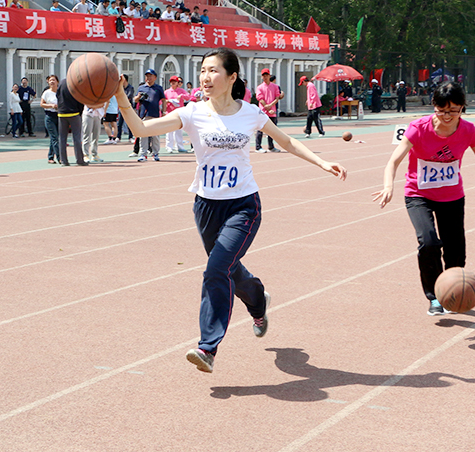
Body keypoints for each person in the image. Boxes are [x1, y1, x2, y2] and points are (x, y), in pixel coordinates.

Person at [114, 47, 347, 373]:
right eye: (203, 71)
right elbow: (140, 129)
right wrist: (120, 96)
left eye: (213, 71)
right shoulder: (192, 112)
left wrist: (321, 162)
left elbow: (286, 141)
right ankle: (258, 299)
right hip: (206, 206)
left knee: (215, 269)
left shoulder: (250, 113)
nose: (206, 77)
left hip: (243, 206)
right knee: (227, 267)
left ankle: (207, 347)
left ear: (231, 76)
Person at [372, 81, 475, 316]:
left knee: (455, 250)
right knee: (429, 242)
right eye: (442, 110)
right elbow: (393, 161)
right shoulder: (418, 128)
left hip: (452, 196)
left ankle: (453, 293)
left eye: (454, 110)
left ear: (462, 108)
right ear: (434, 106)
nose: (447, 116)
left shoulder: (468, 130)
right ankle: (434, 297)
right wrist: (388, 186)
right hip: (418, 194)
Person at [132, 69, 165, 162]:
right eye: (147, 76)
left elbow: (163, 100)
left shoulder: (158, 88)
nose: (148, 78)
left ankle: (155, 153)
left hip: (155, 114)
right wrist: (139, 97)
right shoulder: (141, 88)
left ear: (155, 77)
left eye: (150, 76)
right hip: (144, 114)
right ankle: (143, 154)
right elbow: (135, 100)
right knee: (143, 135)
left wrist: (164, 112)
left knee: (155, 135)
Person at [57, 78, 88, 166]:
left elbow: (57, 96)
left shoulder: (62, 82)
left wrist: (60, 108)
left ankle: (64, 160)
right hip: (74, 113)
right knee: (77, 137)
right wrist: (80, 112)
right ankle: (80, 160)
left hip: (62, 113)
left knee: (62, 138)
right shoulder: (76, 83)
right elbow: (81, 99)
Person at [255, 68, 283, 152]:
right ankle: (258, 147)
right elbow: (260, 98)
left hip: (272, 111)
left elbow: (277, 97)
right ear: (261, 77)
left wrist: (271, 106)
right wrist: (267, 107)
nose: (265, 77)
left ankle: (271, 147)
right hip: (262, 111)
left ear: (269, 76)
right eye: (263, 75)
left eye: (266, 75)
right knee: (260, 129)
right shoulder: (260, 87)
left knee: (272, 130)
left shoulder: (275, 86)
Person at [164, 75, 189, 152]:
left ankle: (179, 146)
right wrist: (168, 101)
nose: (173, 83)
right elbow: (162, 101)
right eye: (171, 82)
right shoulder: (167, 92)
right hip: (169, 113)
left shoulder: (181, 91)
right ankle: (169, 147)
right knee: (169, 131)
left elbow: (188, 97)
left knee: (179, 131)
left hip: (179, 113)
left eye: (174, 81)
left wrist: (182, 96)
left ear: (177, 83)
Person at [40, 74, 60, 164]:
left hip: (59, 116)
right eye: (50, 80)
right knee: (54, 137)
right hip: (49, 116)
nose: (52, 82)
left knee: (55, 137)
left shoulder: (60, 92)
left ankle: (50, 157)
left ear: (57, 82)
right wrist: (51, 105)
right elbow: (42, 104)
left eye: (53, 80)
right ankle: (60, 158)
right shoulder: (46, 93)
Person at [116, 74, 135, 143]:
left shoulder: (130, 88)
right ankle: (118, 137)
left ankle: (130, 137)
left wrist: (123, 98)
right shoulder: (121, 88)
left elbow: (129, 97)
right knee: (119, 123)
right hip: (121, 108)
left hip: (128, 108)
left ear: (125, 80)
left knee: (129, 123)